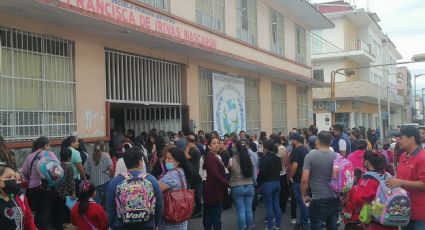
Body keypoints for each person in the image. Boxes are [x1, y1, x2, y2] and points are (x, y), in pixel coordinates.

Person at [106, 147, 164, 230]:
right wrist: (156, 223)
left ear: (125, 163)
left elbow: (110, 208)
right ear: (140, 162)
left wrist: (113, 225)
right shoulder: (151, 180)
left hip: (121, 225)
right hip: (147, 225)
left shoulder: (115, 182)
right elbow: (159, 205)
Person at [344, 150, 398, 230]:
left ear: (367, 162)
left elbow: (358, 199)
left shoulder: (368, 179)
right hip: (390, 218)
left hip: (375, 220)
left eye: (363, 159)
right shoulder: (387, 175)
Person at [386, 126, 425, 230]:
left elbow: (423, 184)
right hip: (403, 211)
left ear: (412, 139)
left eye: (401, 137)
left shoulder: (422, 157)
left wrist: (400, 182)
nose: (398, 140)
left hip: (421, 214)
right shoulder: (403, 156)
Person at [301, 131, 339, 230]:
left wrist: (303, 195)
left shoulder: (310, 156)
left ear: (317, 141)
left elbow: (304, 179)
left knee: (316, 225)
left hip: (318, 197)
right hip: (334, 196)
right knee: (332, 225)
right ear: (330, 142)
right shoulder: (337, 157)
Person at [21, 136, 58, 230]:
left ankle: (36, 227)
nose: (49, 147)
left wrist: (31, 180)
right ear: (46, 145)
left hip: (33, 188)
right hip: (47, 187)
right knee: (45, 211)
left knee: (37, 212)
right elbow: (58, 168)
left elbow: (24, 172)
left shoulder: (30, 156)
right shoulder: (49, 154)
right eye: (49, 145)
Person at [158, 147, 193, 230]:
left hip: (170, 222)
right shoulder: (181, 170)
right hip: (181, 220)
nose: (166, 160)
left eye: (169, 159)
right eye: (166, 158)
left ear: (178, 161)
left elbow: (155, 189)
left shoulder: (172, 175)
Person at [203, 137, 229, 230]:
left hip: (213, 190)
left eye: (218, 142)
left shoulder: (213, 156)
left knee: (211, 215)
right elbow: (214, 174)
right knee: (215, 217)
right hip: (214, 191)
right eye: (213, 143)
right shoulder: (211, 158)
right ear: (209, 146)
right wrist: (226, 182)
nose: (217, 145)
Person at [0, 164, 36, 230]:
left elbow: (28, 218)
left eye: (14, 177)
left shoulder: (17, 197)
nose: (13, 180)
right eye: (9, 177)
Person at [228, 142, 255, 230]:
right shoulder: (250, 159)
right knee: (249, 210)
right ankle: (249, 228)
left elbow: (227, 171)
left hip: (237, 186)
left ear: (237, 149)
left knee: (241, 211)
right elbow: (254, 172)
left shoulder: (231, 160)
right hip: (250, 186)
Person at [258, 140, 282, 230]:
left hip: (267, 185)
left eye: (263, 147)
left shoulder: (265, 158)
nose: (262, 149)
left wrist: (258, 183)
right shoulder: (277, 158)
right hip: (277, 183)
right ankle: (278, 225)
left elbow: (261, 173)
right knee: (276, 205)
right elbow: (280, 169)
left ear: (266, 148)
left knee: (269, 206)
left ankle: (270, 227)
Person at [51, 148, 75, 230]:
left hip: (55, 191)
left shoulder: (56, 165)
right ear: (69, 157)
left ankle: (54, 224)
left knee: (55, 208)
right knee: (61, 210)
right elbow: (71, 182)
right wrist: (72, 192)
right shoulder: (69, 167)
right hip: (64, 193)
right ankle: (59, 226)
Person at [84, 140, 113, 207]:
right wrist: (110, 175)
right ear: (104, 147)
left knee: (97, 203)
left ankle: (97, 215)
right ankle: (105, 216)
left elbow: (86, 170)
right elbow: (111, 169)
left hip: (94, 183)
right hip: (105, 182)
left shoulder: (90, 156)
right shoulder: (106, 155)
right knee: (107, 202)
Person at [289, 133, 309, 230]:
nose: (291, 141)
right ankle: (305, 220)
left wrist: (290, 176)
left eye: (292, 139)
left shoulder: (296, 151)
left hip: (298, 179)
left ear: (296, 140)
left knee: (301, 202)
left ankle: (304, 223)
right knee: (304, 200)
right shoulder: (305, 149)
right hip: (305, 177)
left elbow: (295, 165)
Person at [184, 135, 202, 218]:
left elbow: (186, 156)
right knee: (195, 193)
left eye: (187, 142)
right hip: (194, 174)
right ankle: (198, 210)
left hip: (195, 175)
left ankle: (199, 210)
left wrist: (187, 148)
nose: (186, 143)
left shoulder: (194, 150)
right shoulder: (195, 149)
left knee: (196, 194)